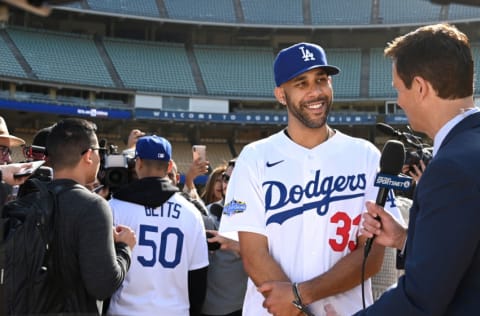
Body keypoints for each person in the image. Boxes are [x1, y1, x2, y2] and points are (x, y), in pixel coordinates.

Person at [218, 42, 404, 316]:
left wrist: (299, 296)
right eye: (301, 83)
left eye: (322, 80)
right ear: (281, 95)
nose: (316, 91)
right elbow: (254, 255)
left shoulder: (365, 155)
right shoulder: (254, 157)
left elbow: (372, 256)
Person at [328, 23, 480, 316]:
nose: (398, 100)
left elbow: (422, 299)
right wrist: (406, 239)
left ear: (421, 87)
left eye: (399, 88)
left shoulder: (450, 169)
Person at [107, 135, 209, 316]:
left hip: (125, 311)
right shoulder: (191, 213)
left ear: (137, 163)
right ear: (169, 166)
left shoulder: (114, 207)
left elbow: (103, 272)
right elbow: (198, 278)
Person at [45, 118, 136, 314]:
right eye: (99, 153)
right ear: (88, 156)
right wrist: (124, 247)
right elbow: (103, 286)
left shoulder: (27, 199)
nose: (100, 159)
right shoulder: (94, 206)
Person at [202, 158, 248, 316]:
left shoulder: (259, 215)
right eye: (226, 178)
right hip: (207, 305)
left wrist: (235, 244)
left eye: (234, 178)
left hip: (240, 306)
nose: (227, 183)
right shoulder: (207, 211)